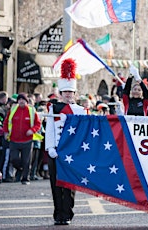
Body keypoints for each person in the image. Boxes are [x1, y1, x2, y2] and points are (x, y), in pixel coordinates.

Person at [45, 58, 87, 225]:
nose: (68, 94)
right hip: (56, 151)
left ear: (75, 94)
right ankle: (58, 214)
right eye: (65, 92)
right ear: (60, 94)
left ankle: (67, 213)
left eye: (71, 92)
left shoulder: (81, 110)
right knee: (56, 184)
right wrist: (50, 147)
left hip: (72, 152)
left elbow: (84, 133)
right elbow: (50, 130)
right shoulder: (53, 109)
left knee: (69, 185)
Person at [2, 93, 41, 185]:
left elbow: (38, 124)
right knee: (14, 159)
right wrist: (6, 131)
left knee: (26, 160)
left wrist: (32, 130)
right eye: (19, 100)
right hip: (13, 140)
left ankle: (25, 178)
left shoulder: (31, 111)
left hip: (27, 140)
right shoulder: (13, 110)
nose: (21, 101)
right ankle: (20, 169)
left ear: (27, 101)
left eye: (23, 100)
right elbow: (6, 122)